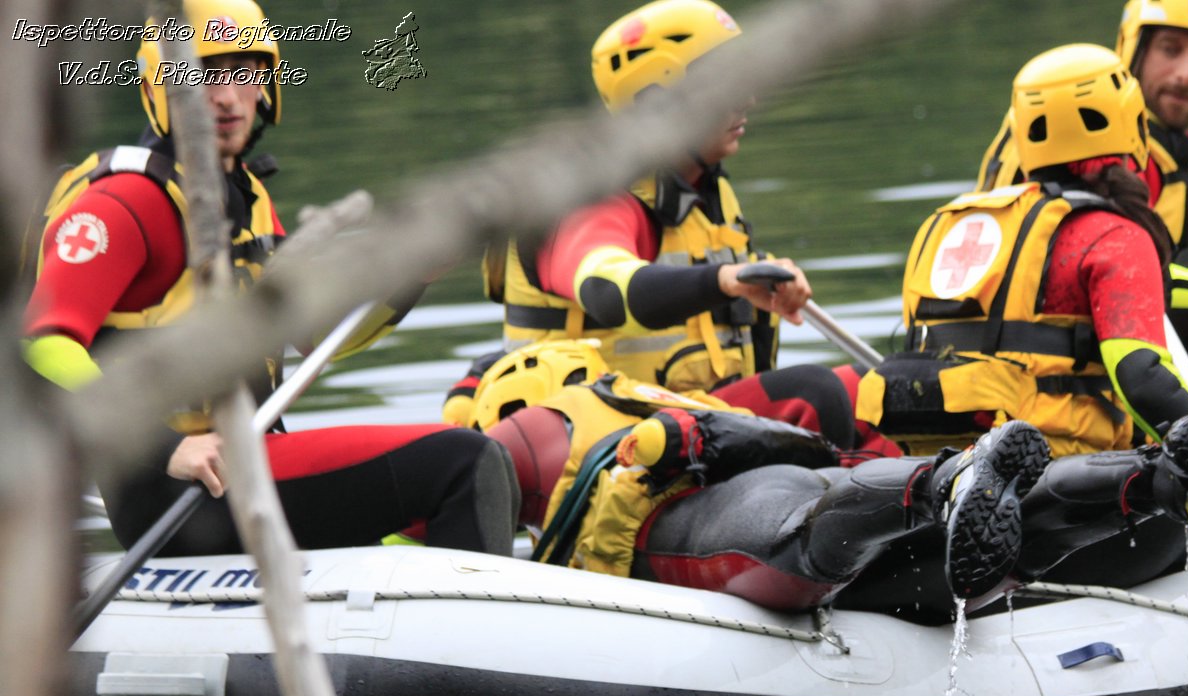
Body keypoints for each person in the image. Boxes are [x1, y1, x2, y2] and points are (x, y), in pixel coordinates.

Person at [22, 0, 521, 557]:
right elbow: (42, 350)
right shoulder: (126, 203)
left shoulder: (249, 201)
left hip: (247, 465)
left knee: (471, 484)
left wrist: (413, 277)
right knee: (468, 463)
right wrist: (166, 448)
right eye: (204, 75)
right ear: (162, 88)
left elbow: (315, 340)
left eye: (246, 71)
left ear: (268, 83)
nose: (228, 96)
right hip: (175, 489)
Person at [859, 45, 1188, 602]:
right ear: (1129, 126)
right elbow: (1139, 373)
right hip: (1066, 521)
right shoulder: (1112, 236)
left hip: (940, 493)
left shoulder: (946, 226)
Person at [447, 0, 888, 457]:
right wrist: (725, 280)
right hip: (613, 450)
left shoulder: (700, 193)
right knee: (810, 393)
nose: (748, 100)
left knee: (878, 390)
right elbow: (606, 288)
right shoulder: (589, 201)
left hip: (692, 428)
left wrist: (758, 281)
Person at [974, 0, 1188, 461]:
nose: (1185, 75)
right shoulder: (1088, 143)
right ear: (1134, 52)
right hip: (1107, 369)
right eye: (1170, 50)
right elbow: (1128, 282)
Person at [473, 341, 1049, 611]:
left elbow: (455, 477)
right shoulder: (651, 401)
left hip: (724, 518)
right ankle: (1135, 483)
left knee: (800, 540)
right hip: (814, 474)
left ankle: (947, 482)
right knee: (906, 531)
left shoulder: (540, 429)